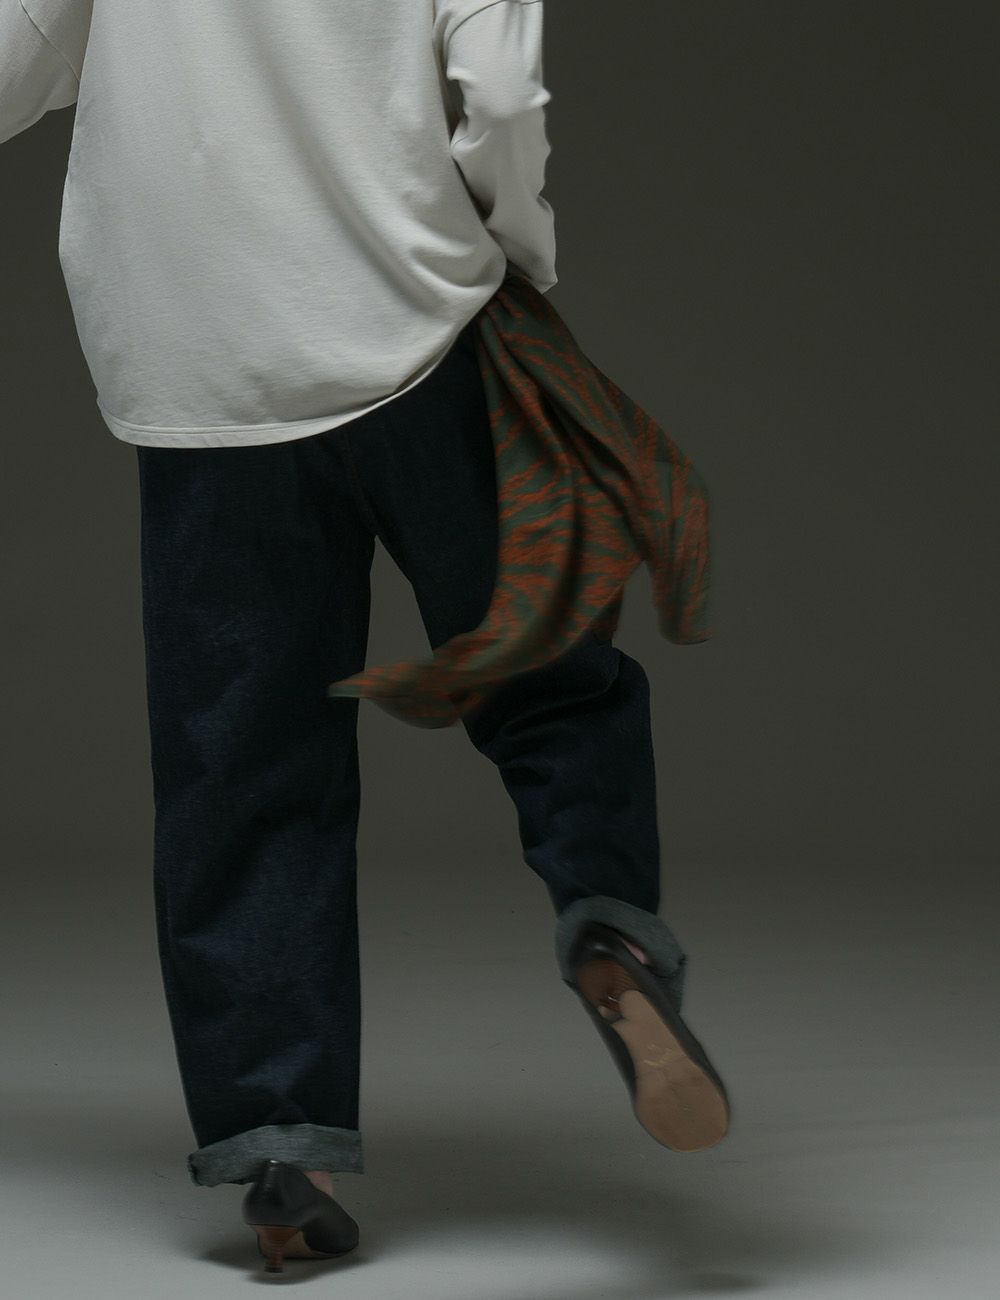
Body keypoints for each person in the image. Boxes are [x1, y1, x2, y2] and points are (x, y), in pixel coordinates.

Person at [2, 0, 729, 1268]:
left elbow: (18, 53)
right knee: (548, 671)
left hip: (203, 364)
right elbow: (500, 92)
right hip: (416, 326)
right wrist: (517, 249)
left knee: (242, 765)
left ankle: (279, 1147)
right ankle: (608, 920)